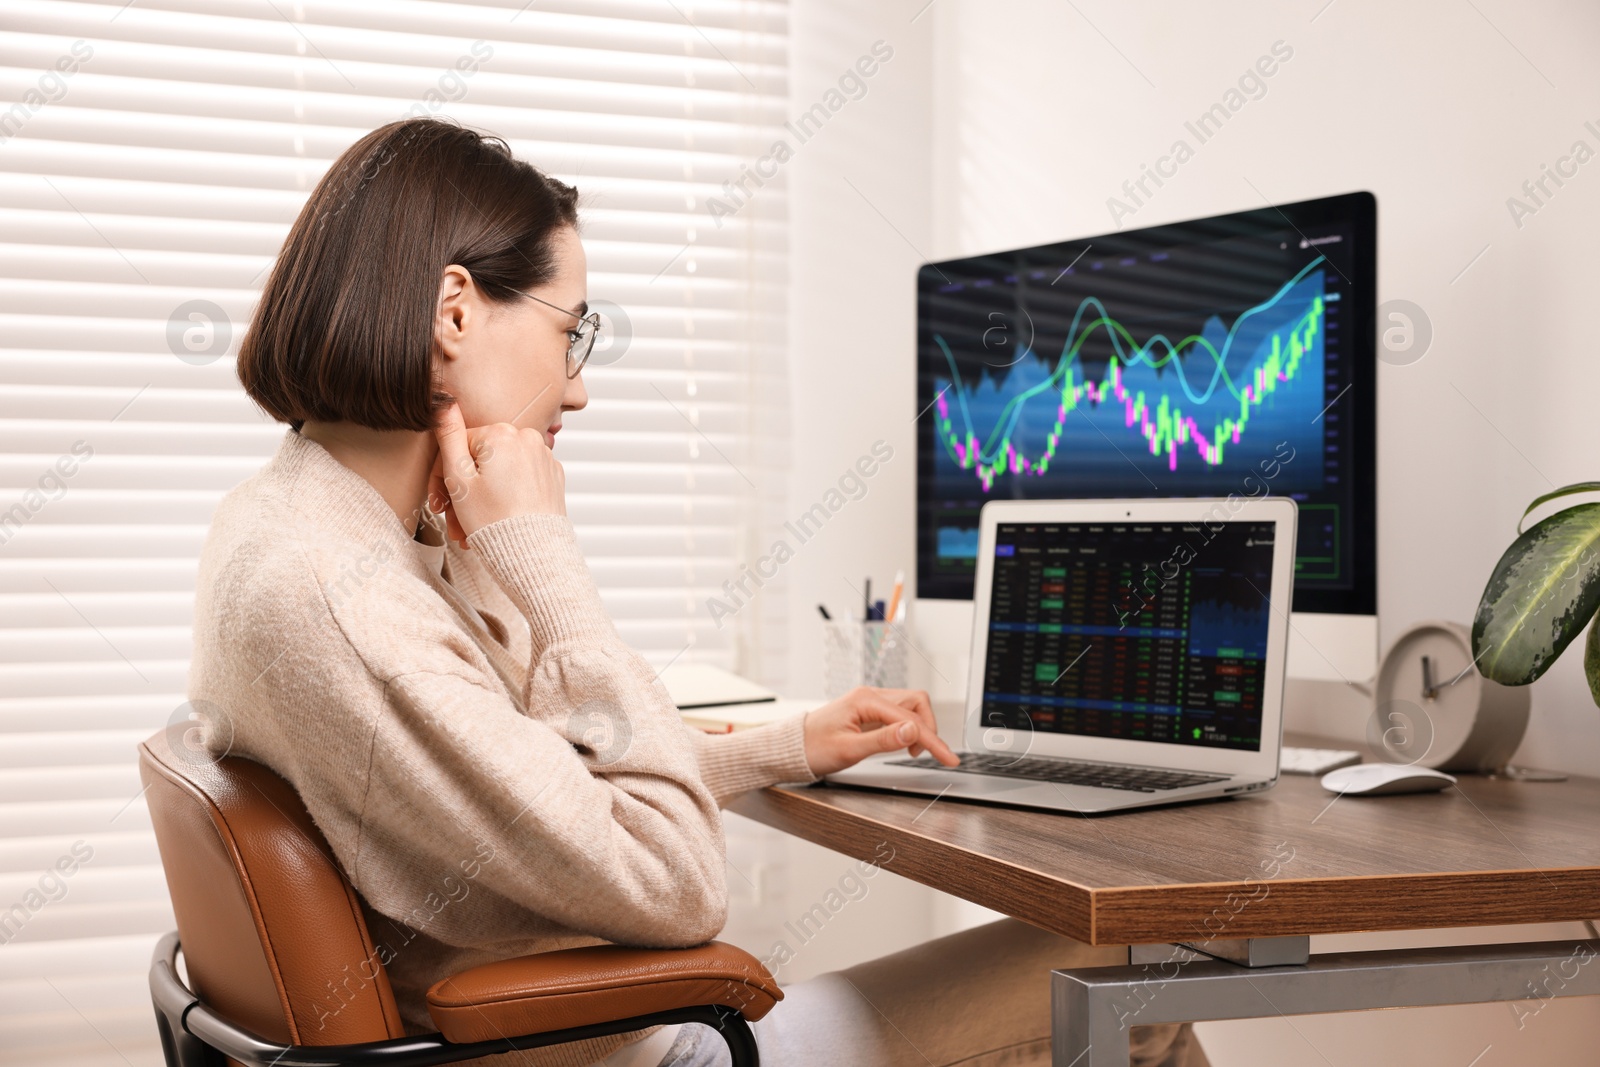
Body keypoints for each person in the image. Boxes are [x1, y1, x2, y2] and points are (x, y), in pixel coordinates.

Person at [189, 116, 1206, 1067]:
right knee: (1150, 957)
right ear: (455, 311)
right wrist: (542, 557)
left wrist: (788, 747)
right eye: (570, 333)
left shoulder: (301, 524)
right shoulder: (342, 594)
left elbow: (531, 785)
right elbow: (675, 882)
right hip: (624, 1051)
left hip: (551, 1029)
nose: (579, 385)